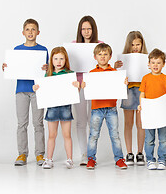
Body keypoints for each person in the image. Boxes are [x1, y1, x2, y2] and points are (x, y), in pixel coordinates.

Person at [2, 18, 48, 166]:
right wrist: (7, 68)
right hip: (21, 90)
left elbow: (49, 71)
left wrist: (47, 70)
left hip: (38, 91)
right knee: (22, 123)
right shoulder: (17, 50)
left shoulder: (43, 50)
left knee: (38, 123)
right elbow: (14, 68)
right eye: (27, 29)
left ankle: (40, 154)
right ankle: (22, 154)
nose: (30, 32)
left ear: (38, 32)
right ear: (23, 32)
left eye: (33, 29)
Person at [83, 43, 128, 170]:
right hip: (96, 109)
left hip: (111, 108)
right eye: (100, 54)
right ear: (95, 57)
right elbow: (85, 88)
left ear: (110, 56)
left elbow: (120, 89)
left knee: (115, 135)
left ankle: (119, 159)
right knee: (93, 135)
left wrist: (123, 83)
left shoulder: (115, 72)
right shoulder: (91, 73)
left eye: (105, 54)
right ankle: (91, 159)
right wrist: (84, 85)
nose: (102, 57)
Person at [33, 47, 79, 169]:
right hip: (52, 108)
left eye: (61, 59)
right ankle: (49, 159)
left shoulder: (69, 74)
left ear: (65, 60)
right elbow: (43, 90)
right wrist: (37, 88)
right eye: (56, 59)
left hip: (65, 108)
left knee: (66, 134)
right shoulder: (48, 75)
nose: (59, 61)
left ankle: (70, 159)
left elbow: (75, 91)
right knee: (52, 135)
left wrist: (77, 86)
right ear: (51, 60)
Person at [138, 49, 166, 170]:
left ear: (163, 64)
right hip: (149, 112)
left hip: (163, 112)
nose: (155, 65)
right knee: (149, 139)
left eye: (158, 62)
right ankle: (150, 159)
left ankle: (161, 159)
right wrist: (141, 105)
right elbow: (142, 94)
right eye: (153, 62)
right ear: (148, 64)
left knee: (164, 139)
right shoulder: (145, 78)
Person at [114, 31, 148, 166]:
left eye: (138, 44)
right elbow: (116, 78)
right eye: (133, 44)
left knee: (141, 124)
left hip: (141, 91)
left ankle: (140, 153)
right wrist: (117, 69)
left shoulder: (146, 58)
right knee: (128, 124)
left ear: (142, 45)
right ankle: (129, 152)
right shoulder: (123, 60)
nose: (135, 47)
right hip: (128, 90)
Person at [73, 16, 103, 165]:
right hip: (79, 86)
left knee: (94, 121)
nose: (86, 32)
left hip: (95, 86)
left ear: (93, 30)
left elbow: (104, 63)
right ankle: (84, 153)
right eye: (83, 29)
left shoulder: (100, 45)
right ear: (80, 30)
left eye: (89, 29)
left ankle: (92, 154)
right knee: (81, 122)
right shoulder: (73, 46)